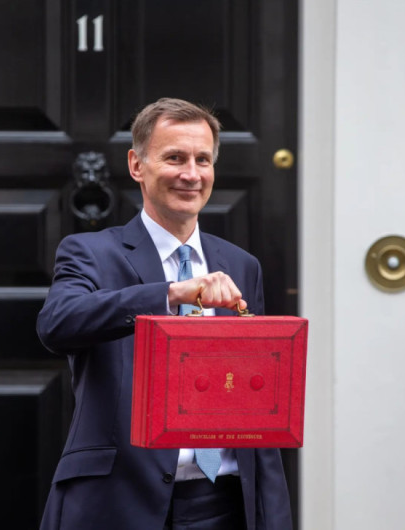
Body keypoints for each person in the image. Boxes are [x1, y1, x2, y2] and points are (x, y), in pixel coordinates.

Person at [37, 98, 292, 529]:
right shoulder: (90, 252)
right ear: (137, 165)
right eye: (175, 158)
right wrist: (170, 294)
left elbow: (257, 410)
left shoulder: (242, 266)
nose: (191, 174)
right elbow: (58, 323)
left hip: (224, 505)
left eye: (202, 160)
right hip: (117, 503)